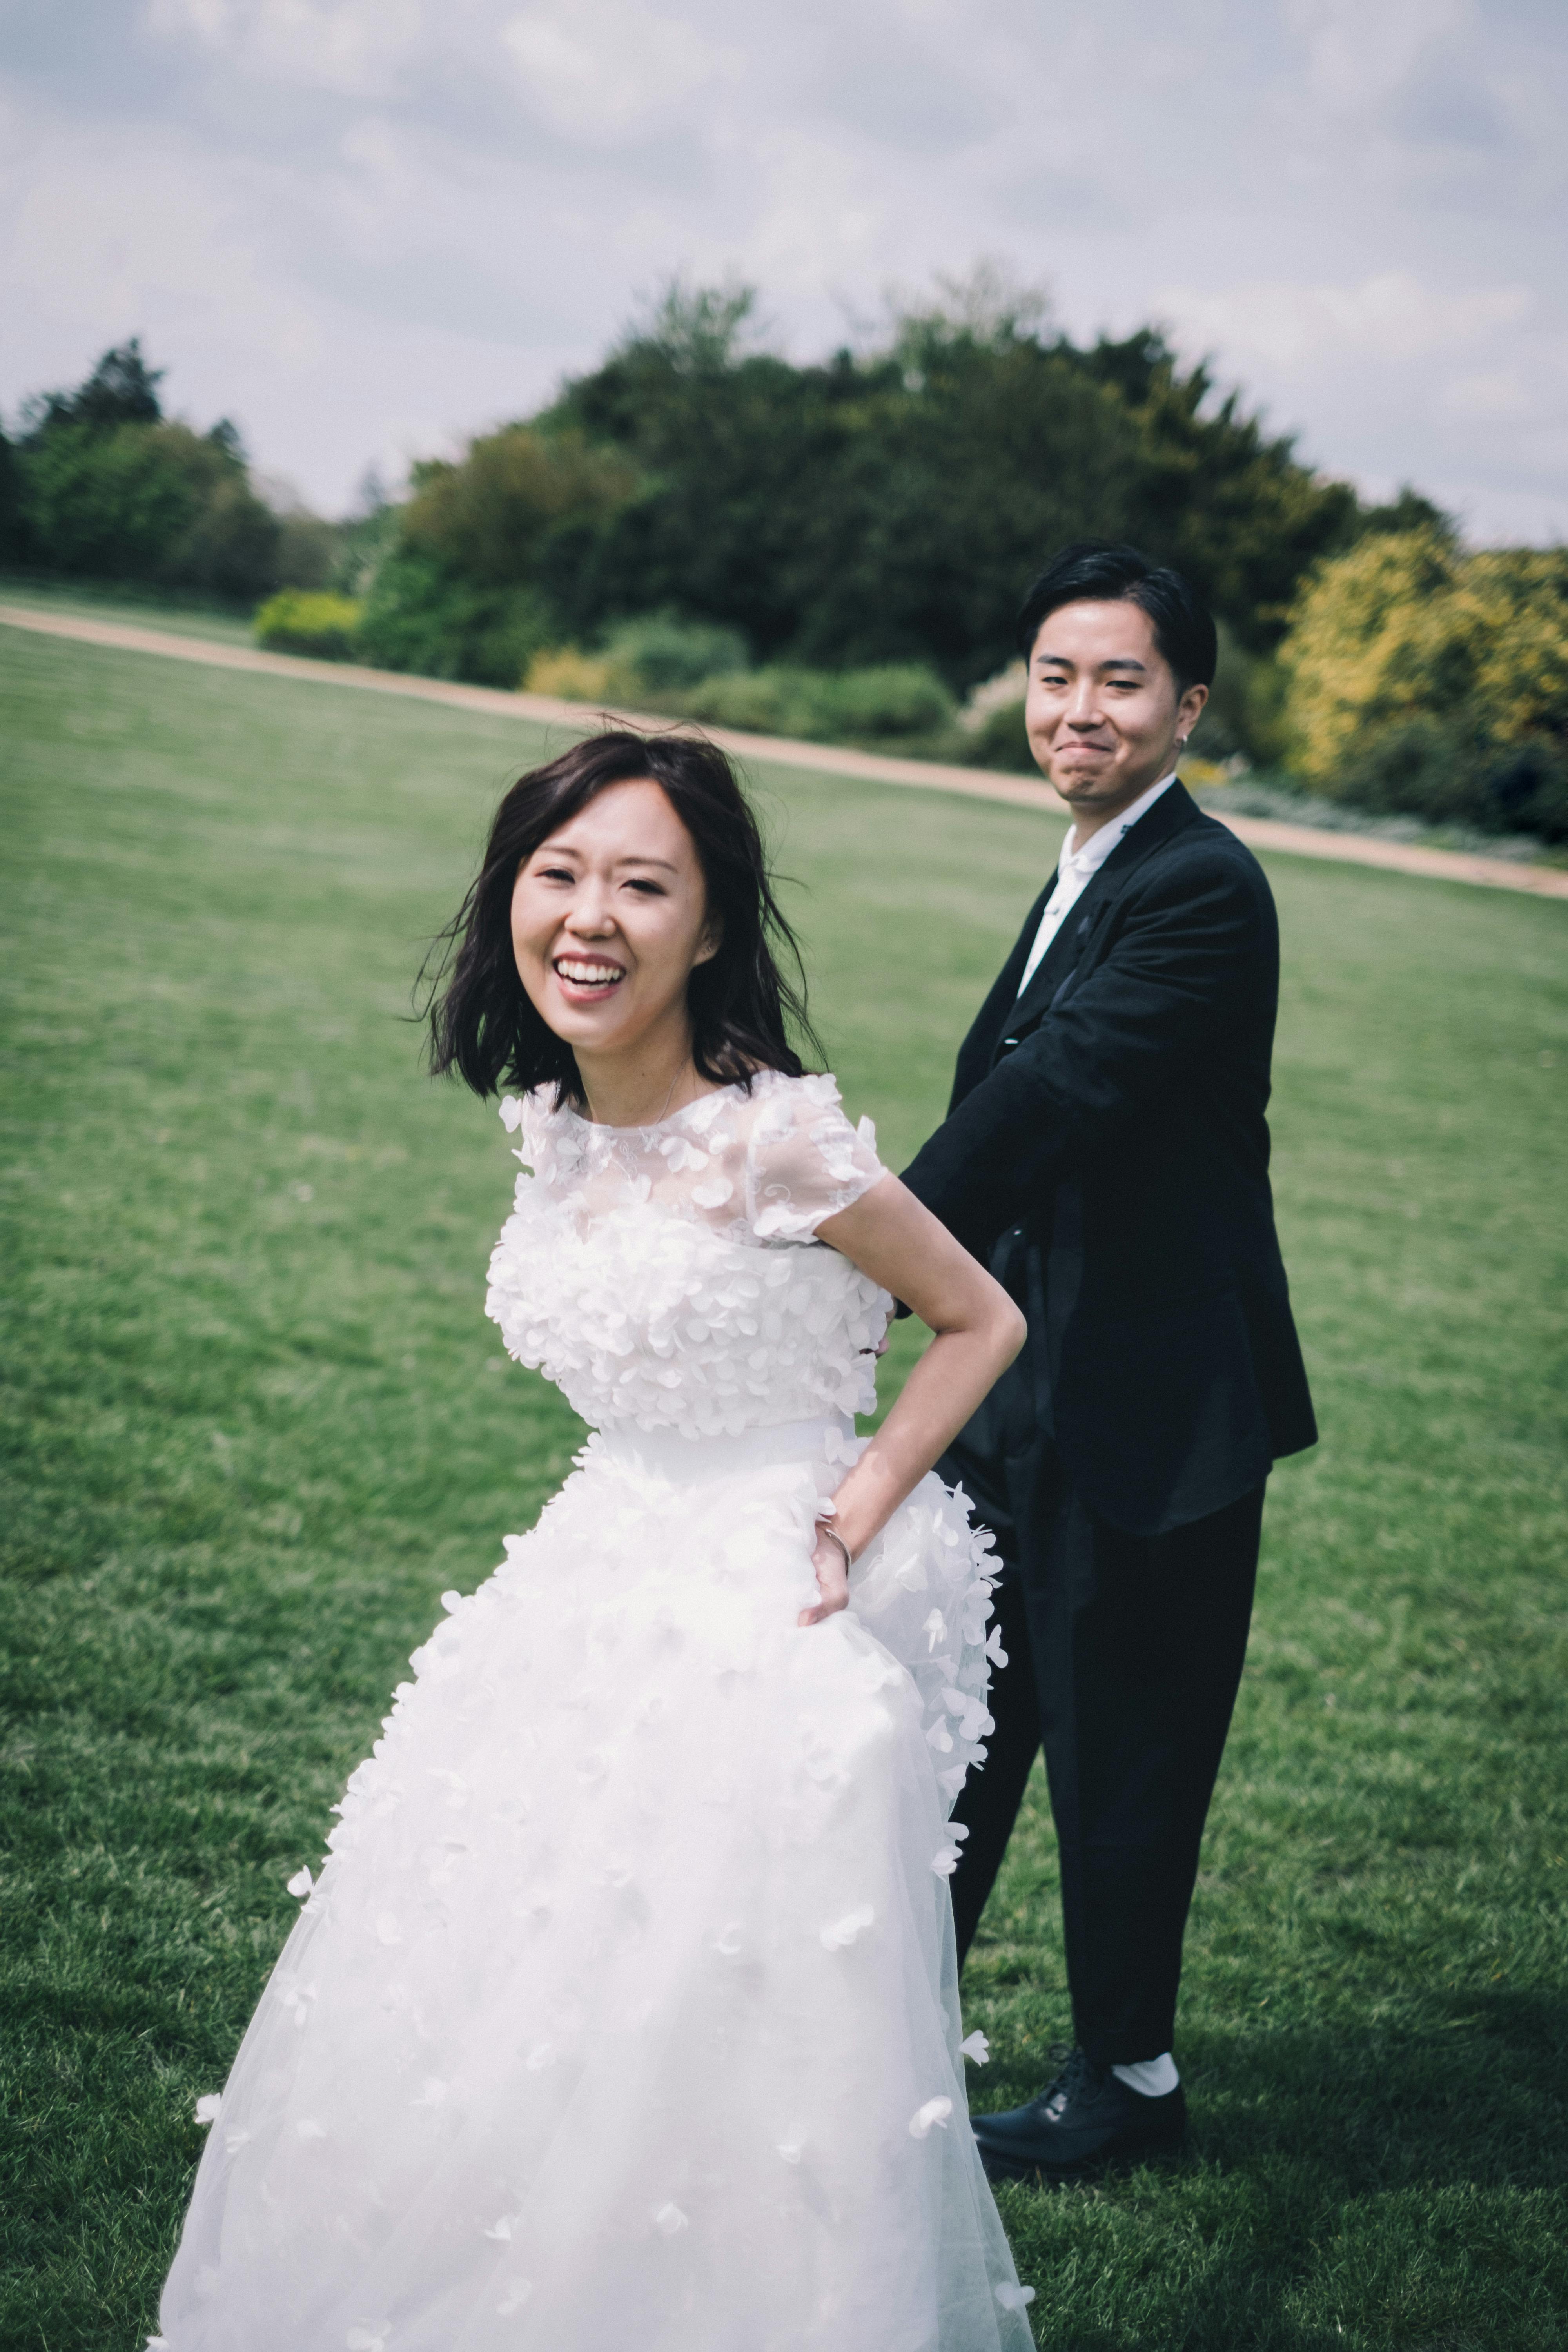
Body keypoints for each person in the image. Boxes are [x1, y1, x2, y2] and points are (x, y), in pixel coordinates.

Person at [153, 729, 1038, 2351]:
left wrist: (852, 1506)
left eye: (643, 884)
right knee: (500, 1981)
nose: (589, 916)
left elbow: (978, 1317)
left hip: (760, 1610)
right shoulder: (553, 1120)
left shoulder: (779, 1139)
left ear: (708, 928)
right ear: (510, 900)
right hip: (583, 1577)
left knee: (702, 2025)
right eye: (557, 875)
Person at [901, 542, 1316, 2183]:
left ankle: (1126, 2085)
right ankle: (884, 2022)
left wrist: (860, 1252)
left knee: (1124, 1746)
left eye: (1120, 681)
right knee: (959, 1716)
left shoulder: (1200, 883)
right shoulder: (1086, 857)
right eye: (1056, 676)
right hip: (1018, 1383)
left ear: (1186, 706)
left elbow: (1053, 1095)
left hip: (1152, 1404)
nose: (1078, 710)